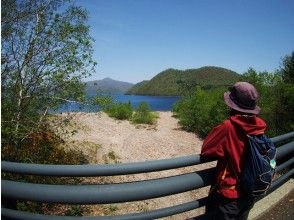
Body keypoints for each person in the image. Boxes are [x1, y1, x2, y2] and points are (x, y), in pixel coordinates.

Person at [201, 82, 266, 220]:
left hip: (229, 196)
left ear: (232, 104)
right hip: (249, 192)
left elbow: (206, 149)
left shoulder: (228, 127)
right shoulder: (259, 125)